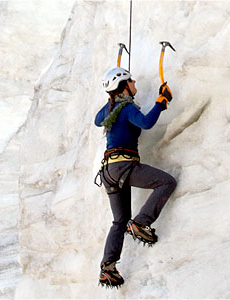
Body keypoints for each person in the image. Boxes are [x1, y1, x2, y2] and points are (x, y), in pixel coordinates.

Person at [94, 67, 177, 288]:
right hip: (124, 165)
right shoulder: (127, 108)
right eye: (130, 80)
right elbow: (146, 122)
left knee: (119, 221)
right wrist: (161, 101)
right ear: (124, 86)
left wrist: (111, 99)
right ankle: (141, 222)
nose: (134, 81)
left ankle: (108, 268)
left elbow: (97, 121)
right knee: (167, 182)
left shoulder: (110, 109)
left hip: (108, 172)